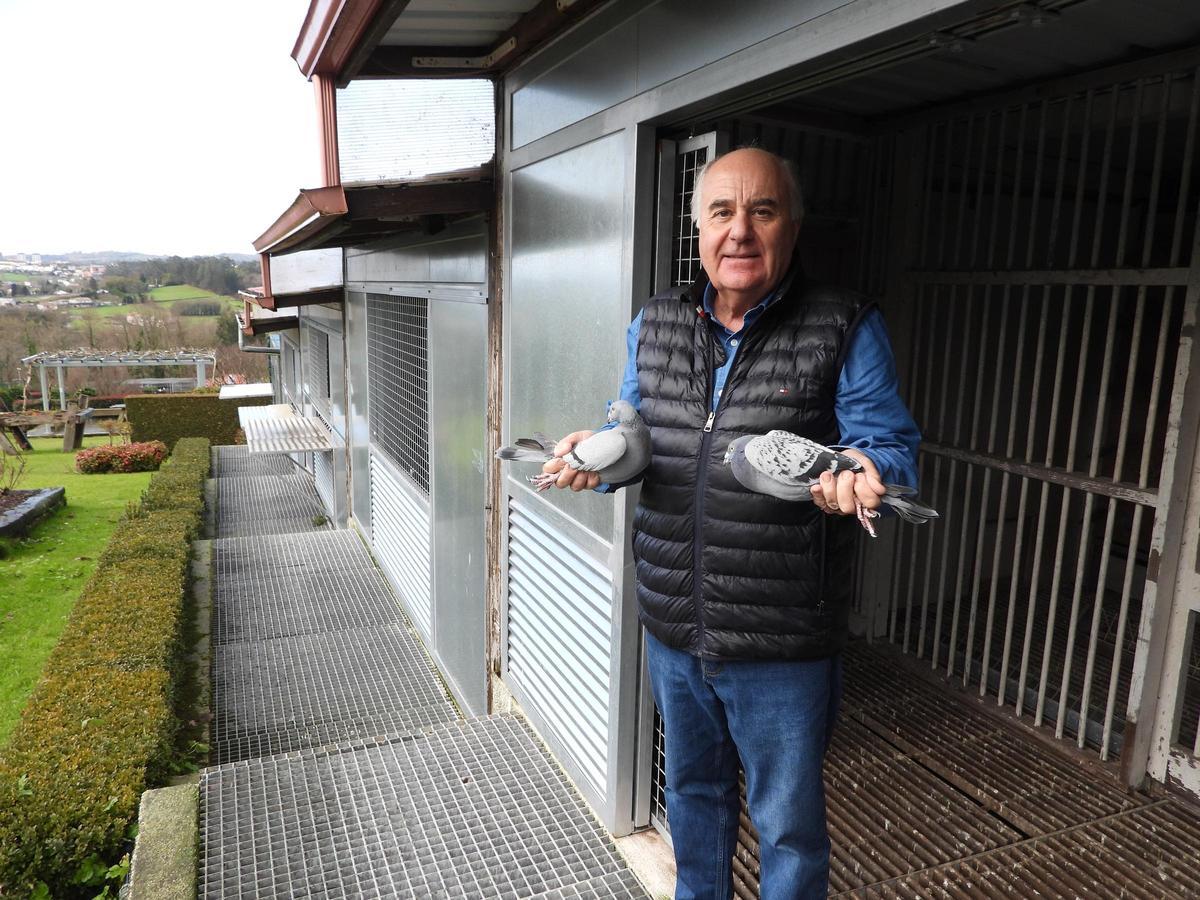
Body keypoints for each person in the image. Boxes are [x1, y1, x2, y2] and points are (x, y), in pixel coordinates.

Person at [542, 147, 920, 899]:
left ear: (793, 226)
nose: (739, 231)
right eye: (721, 212)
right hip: (676, 626)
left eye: (763, 211)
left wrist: (863, 475)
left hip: (783, 638)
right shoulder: (654, 324)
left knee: (786, 823)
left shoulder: (843, 323)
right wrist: (595, 454)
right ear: (697, 228)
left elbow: (889, 448)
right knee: (691, 798)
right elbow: (637, 432)